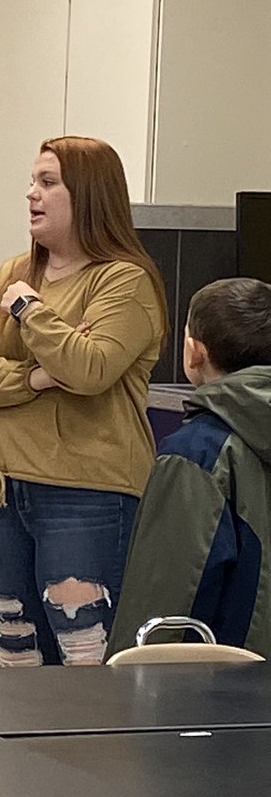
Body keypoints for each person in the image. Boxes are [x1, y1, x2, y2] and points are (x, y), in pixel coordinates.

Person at [0, 135, 168, 667]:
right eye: (32, 182)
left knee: (84, 651)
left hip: (88, 494)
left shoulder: (125, 281)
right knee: (14, 644)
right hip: (5, 488)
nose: (32, 194)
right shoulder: (10, 271)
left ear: (89, 197)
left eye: (48, 183)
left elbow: (90, 370)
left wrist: (29, 309)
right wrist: (38, 378)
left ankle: (90, 754)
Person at [108, 278, 271, 657]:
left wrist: (126, 687)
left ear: (194, 352)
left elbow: (164, 598)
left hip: (227, 695)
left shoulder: (196, 453)